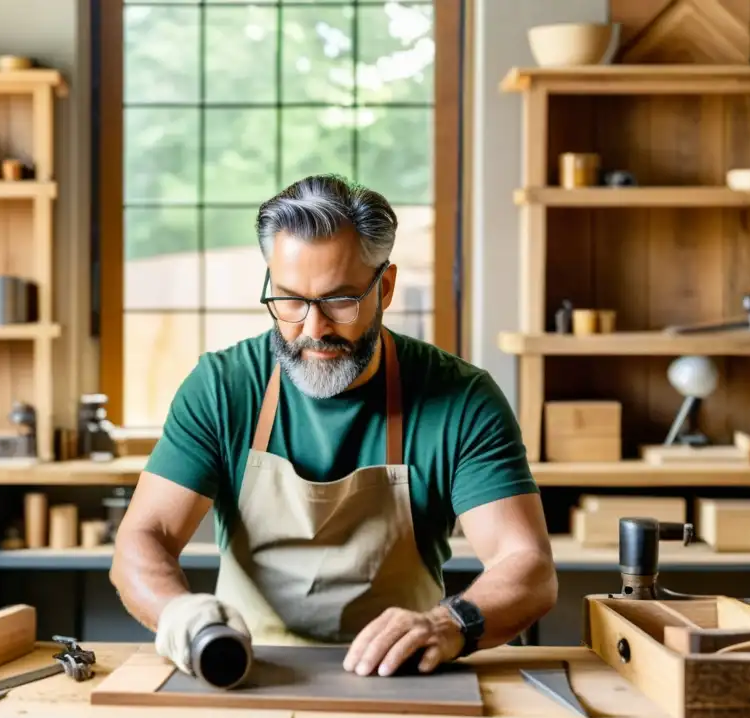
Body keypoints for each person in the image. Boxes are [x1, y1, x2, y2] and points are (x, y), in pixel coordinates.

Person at [110, 174, 557, 678]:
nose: (312, 328)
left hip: (405, 675)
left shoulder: (461, 399)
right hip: (242, 669)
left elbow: (528, 566)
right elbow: (142, 538)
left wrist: (450, 623)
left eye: (340, 300)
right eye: (290, 299)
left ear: (384, 288)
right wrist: (181, 615)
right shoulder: (222, 387)